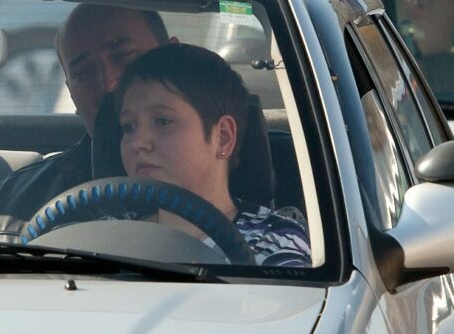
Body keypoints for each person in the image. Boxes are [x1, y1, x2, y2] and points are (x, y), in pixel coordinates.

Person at [104, 42, 311, 268]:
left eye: (163, 121)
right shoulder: (107, 232)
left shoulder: (273, 241)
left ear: (222, 136)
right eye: (128, 126)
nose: (138, 142)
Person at [0, 1, 169, 239]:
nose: (109, 83)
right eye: (84, 72)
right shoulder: (21, 203)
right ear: (70, 92)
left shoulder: (227, 176)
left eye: (124, 56)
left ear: (173, 57)